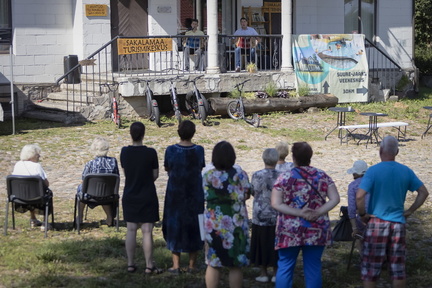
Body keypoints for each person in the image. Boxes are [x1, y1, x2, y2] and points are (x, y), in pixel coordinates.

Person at [356, 136, 429, 288]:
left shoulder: (373, 171)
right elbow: (423, 192)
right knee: (398, 267)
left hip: (376, 222)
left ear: (380, 150)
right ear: (397, 151)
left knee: (371, 267)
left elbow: (359, 196)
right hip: (398, 224)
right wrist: (410, 210)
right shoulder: (406, 171)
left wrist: (363, 215)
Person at [271, 142, 340, 288]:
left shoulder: (284, 177)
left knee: (285, 266)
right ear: (310, 157)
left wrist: (299, 213)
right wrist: (318, 212)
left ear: (294, 157)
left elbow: (276, 203)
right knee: (313, 267)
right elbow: (335, 198)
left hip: (289, 229)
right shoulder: (322, 176)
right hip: (316, 228)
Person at [202, 141, 251, 288]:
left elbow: (202, 195)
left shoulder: (208, 175)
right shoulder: (240, 174)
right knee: (235, 264)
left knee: (213, 262)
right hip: (237, 221)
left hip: (214, 221)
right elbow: (247, 194)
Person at [162, 120, 205, 274]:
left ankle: (176, 265)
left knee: (175, 225)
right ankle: (192, 265)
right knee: (195, 225)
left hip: (176, 193)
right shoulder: (199, 150)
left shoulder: (171, 150)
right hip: (194, 193)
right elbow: (200, 166)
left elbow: (167, 167)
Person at [120, 122, 163, 274]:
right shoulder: (150, 153)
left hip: (130, 194)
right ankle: (149, 265)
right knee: (147, 231)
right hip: (147, 194)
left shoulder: (124, 152)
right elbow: (155, 175)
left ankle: (131, 264)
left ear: (130, 134)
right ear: (144, 134)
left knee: (131, 229)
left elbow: (126, 173)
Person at [250, 148, 280, 283]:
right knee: (275, 244)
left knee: (261, 244)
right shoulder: (281, 175)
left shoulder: (257, 175)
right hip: (277, 215)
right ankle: (276, 272)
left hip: (260, 214)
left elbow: (252, 191)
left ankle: (263, 272)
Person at [76, 136, 119, 226]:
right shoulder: (113, 162)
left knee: (81, 189)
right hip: (108, 194)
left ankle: (79, 217)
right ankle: (110, 217)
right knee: (104, 190)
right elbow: (117, 176)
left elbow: (84, 180)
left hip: (91, 195)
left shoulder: (90, 164)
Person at [12, 144, 53, 231]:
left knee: (29, 191)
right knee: (47, 193)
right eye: (37, 154)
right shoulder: (37, 166)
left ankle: (33, 219)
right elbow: (46, 183)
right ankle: (45, 222)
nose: (39, 156)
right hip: (36, 196)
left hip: (19, 196)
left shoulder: (17, 164)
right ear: (31, 156)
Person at [346, 160, 369, 246]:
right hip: (376, 216)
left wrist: (354, 227)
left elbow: (351, 207)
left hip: (362, 218)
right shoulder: (373, 182)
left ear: (355, 173)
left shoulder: (353, 185)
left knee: (361, 239)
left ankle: (363, 257)